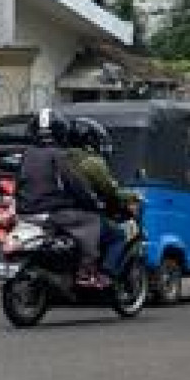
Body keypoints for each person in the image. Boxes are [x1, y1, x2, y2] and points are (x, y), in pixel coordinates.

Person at [13, 108, 108, 288]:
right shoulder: (60, 155)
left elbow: (17, 183)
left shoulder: (27, 154)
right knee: (92, 221)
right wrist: (92, 202)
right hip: (51, 212)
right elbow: (76, 184)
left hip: (24, 212)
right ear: (61, 132)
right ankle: (86, 272)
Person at [66, 117, 138, 278]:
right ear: (90, 140)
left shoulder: (60, 157)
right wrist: (134, 196)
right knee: (118, 235)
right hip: (83, 214)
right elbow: (110, 191)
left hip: (57, 214)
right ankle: (106, 273)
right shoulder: (92, 162)